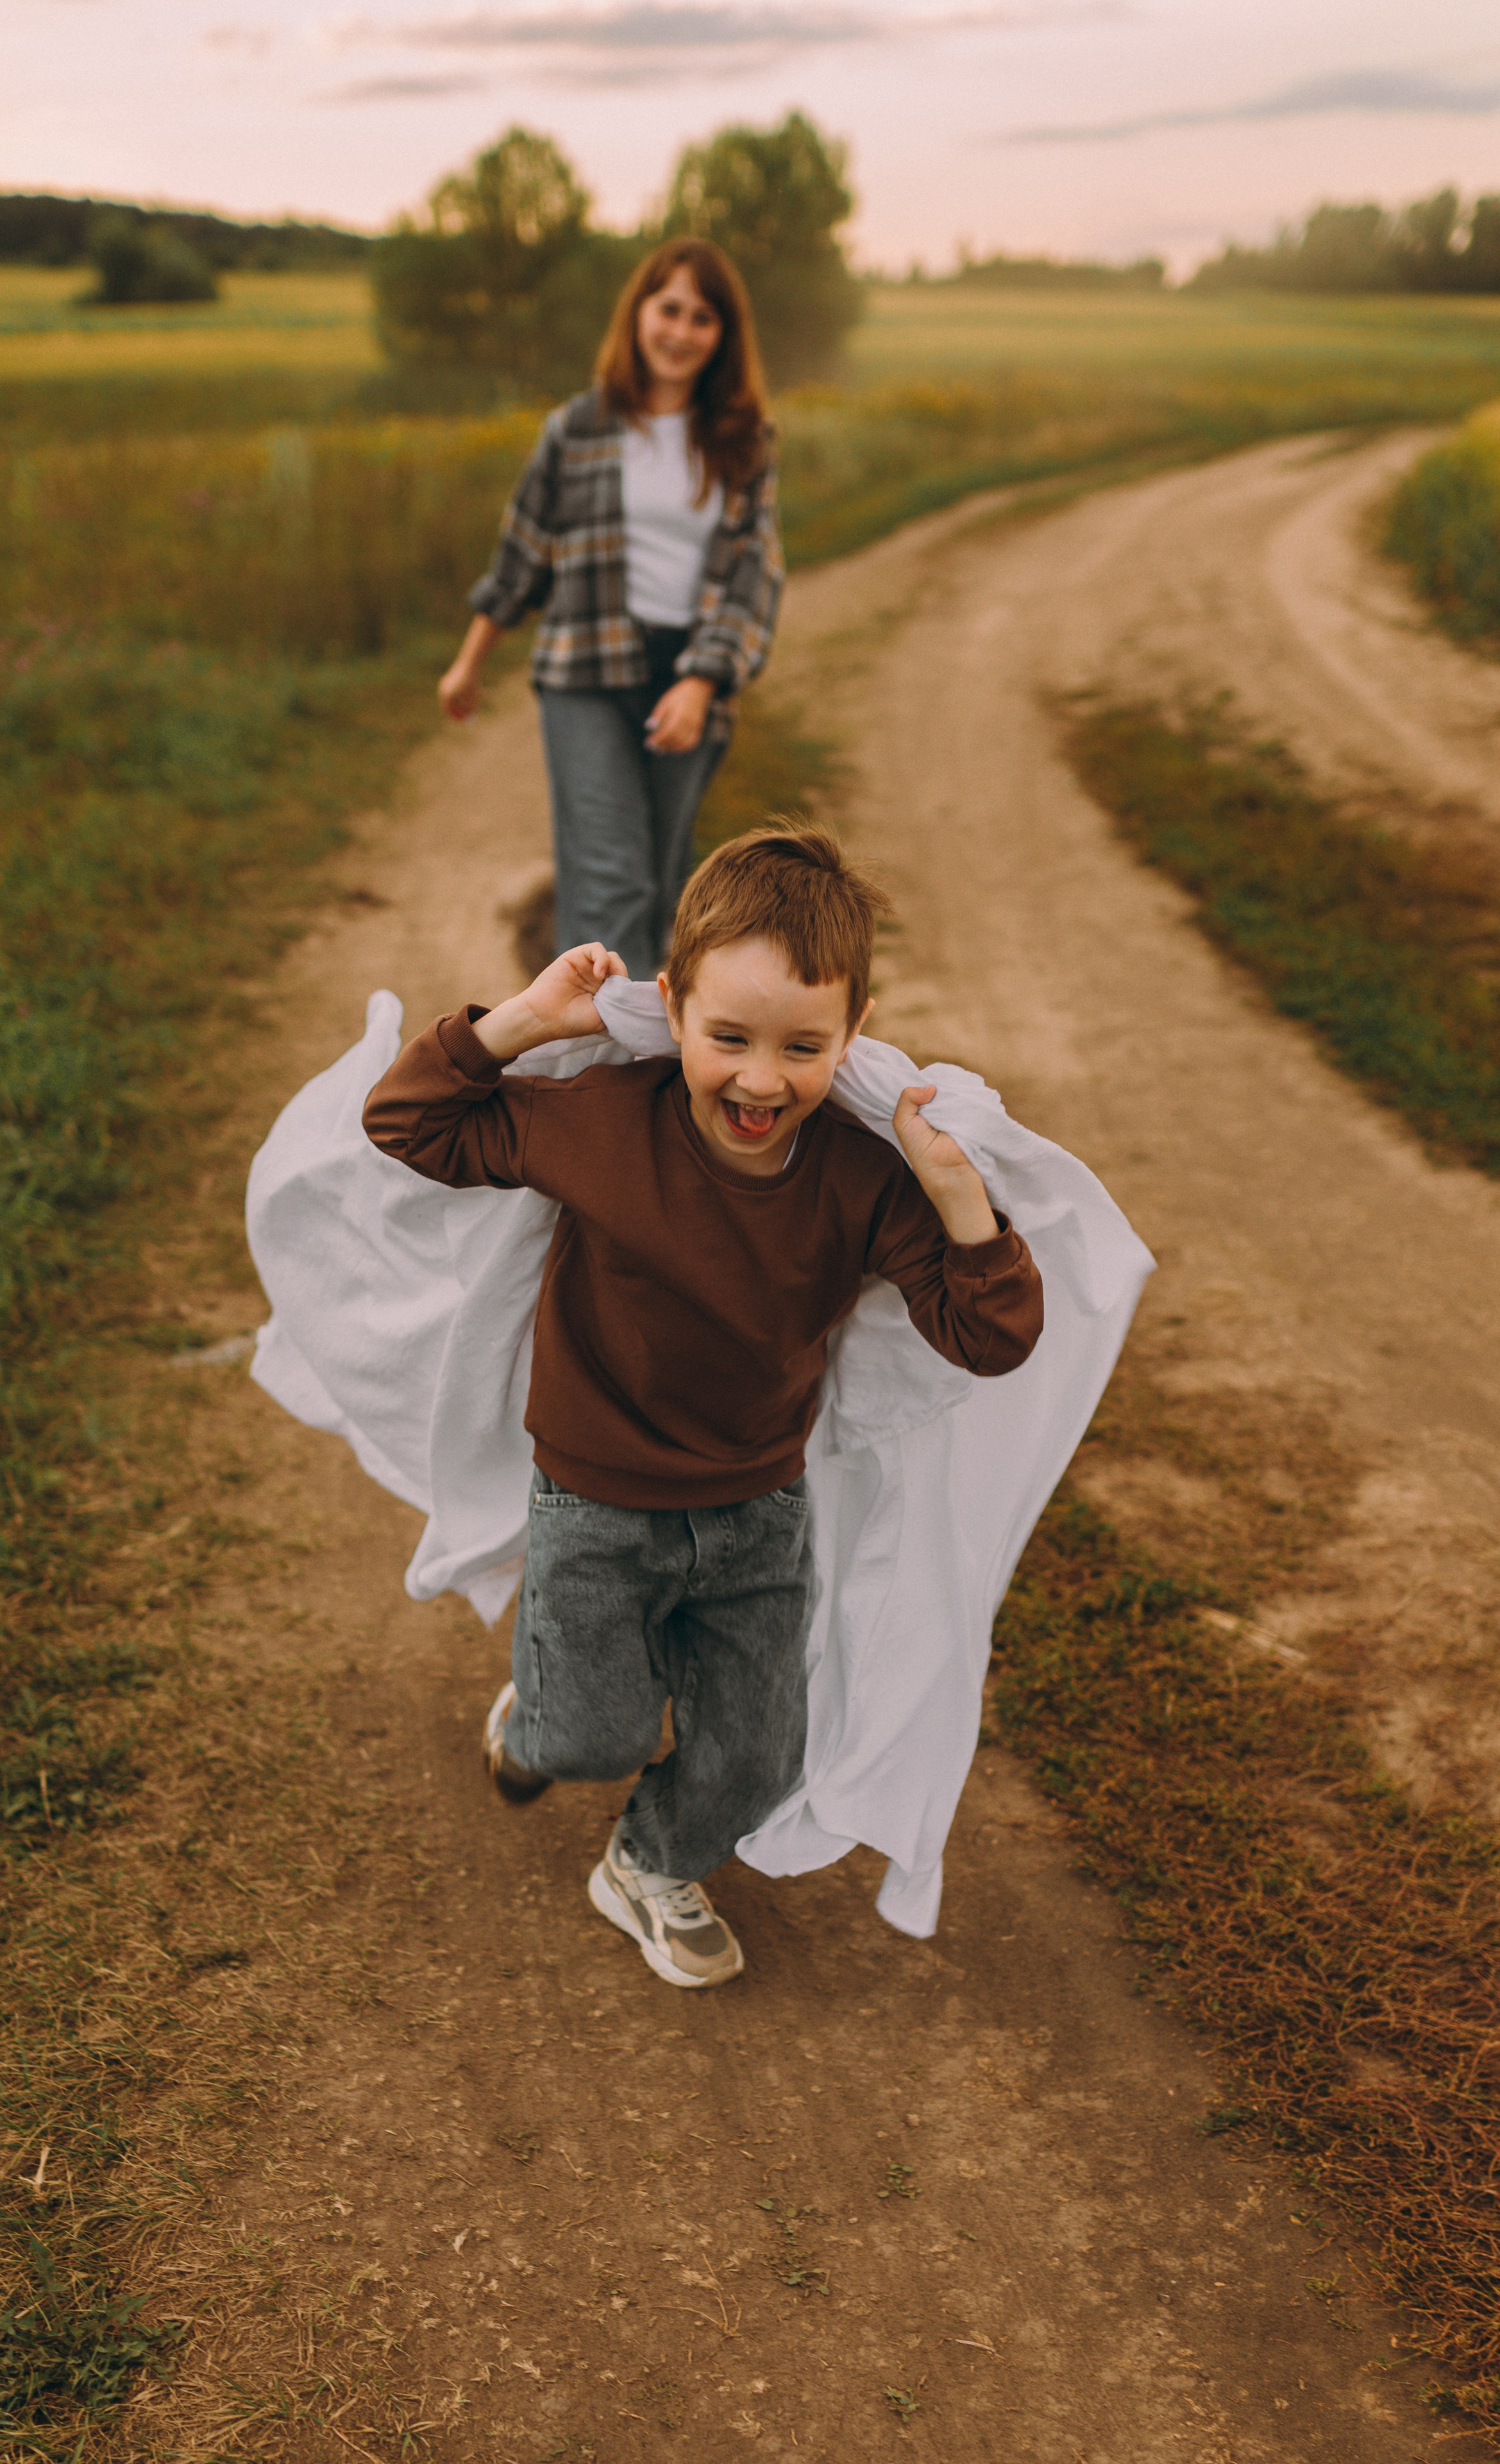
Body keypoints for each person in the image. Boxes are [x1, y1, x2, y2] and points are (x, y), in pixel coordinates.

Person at [360, 826, 1044, 1989]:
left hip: (755, 1513)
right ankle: (544, 1711)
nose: (762, 1080)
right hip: (594, 1499)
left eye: (803, 1046)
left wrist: (954, 1190)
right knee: (592, 1737)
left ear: (856, 1033)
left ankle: (648, 1858)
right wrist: (520, 1023)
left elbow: (992, 1335)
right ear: (670, 1009)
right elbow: (410, 1124)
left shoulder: (864, 1180)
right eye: (727, 1037)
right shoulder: (606, 1120)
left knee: (760, 1753)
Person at [436, 239, 783, 981]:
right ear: (638, 314)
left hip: (685, 680)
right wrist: (469, 664)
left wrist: (701, 681)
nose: (681, 332)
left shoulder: (741, 442)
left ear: (723, 336)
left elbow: (753, 575)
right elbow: (522, 553)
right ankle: (589, 1073)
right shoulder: (578, 428)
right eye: (668, 310)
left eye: (702, 318)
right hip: (584, 673)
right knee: (613, 877)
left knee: (662, 886)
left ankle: (639, 1061)